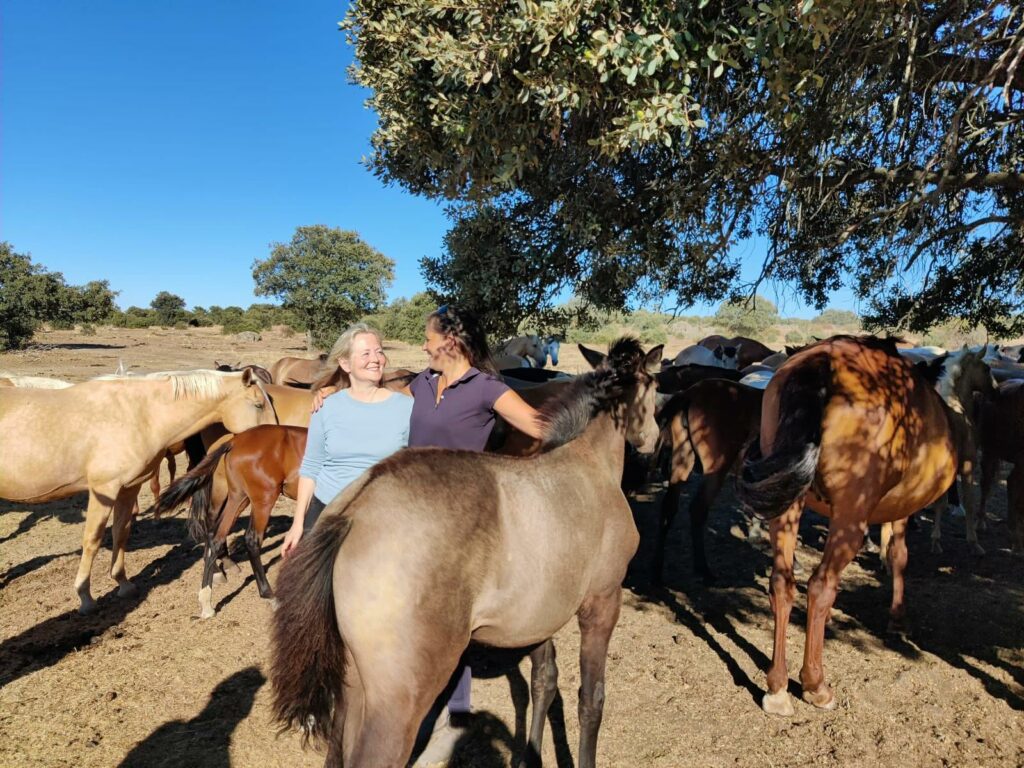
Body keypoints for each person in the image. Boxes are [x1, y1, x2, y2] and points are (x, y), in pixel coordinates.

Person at [314, 305, 543, 765]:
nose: (422, 345)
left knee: (452, 620)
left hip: (463, 518)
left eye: (428, 337)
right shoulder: (421, 382)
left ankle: (453, 716)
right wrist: (328, 391)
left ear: (451, 341)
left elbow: (541, 428)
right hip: (414, 511)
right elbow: (373, 390)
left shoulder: (487, 388)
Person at [281, 323, 413, 559]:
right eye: (365, 353)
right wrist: (298, 523)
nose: (376, 359)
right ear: (345, 364)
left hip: (381, 516)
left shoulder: (406, 408)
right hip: (327, 510)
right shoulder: (325, 406)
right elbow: (311, 468)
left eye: (379, 351)